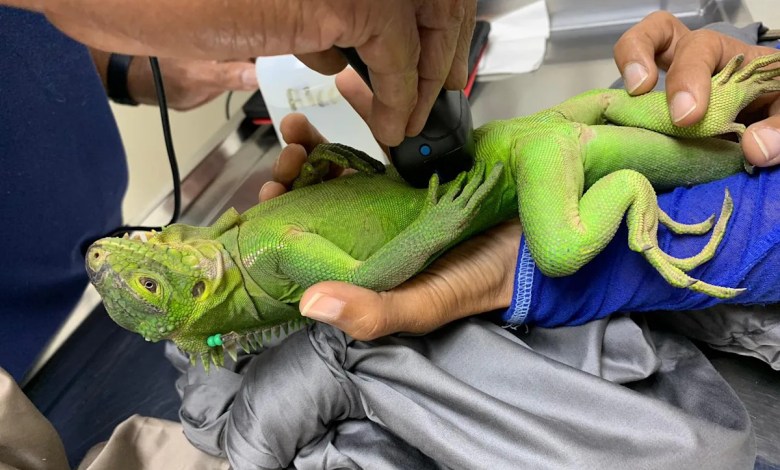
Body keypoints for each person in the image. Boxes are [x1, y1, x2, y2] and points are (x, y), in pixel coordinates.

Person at [0, 0, 478, 382]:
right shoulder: (267, 254)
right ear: (197, 290)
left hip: (87, 210)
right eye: (151, 283)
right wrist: (434, 229)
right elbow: (365, 276)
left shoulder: (232, 251)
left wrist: (123, 62)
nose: (108, 254)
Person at [259, 11, 780, 339]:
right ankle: (724, 103)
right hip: (544, 136)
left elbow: (362, 278)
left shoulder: (275, 245)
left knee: (560, 250)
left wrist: (516, 267)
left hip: (541, 151)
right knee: (688, 117)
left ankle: (632, 187)